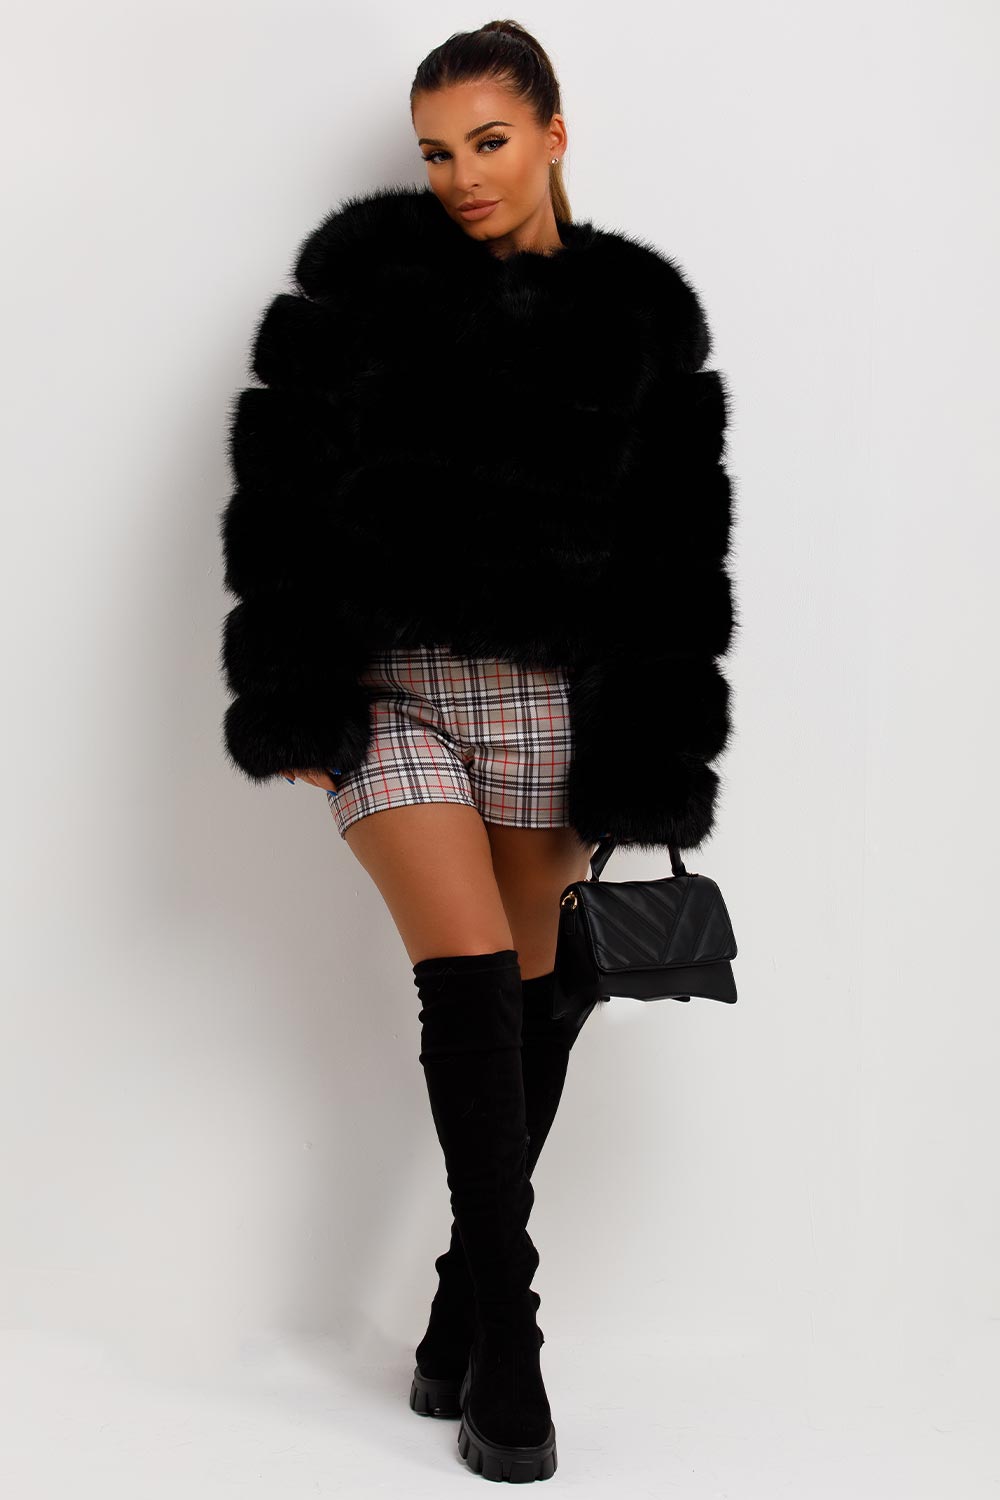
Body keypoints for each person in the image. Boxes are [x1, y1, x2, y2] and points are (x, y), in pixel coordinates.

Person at [218, 18, 737, 1484]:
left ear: (555, 135)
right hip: (393, 696)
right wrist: (291, 685)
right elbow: (281, 493)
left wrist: (650, 745)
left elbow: (674, 560)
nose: (459, 176)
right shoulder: (358, 294)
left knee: (530, 1001)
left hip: (556, 709)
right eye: (437, 151)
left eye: (488, 142)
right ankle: (512, 1337)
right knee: (462, 977)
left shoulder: (638, 320)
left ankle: (455, 1299)